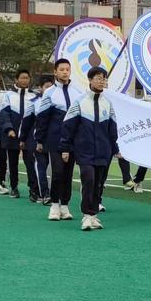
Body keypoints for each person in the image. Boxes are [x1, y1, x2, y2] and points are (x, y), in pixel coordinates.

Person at [60, 67, 119, 231]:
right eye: (99, 78)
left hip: (103, 151)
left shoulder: (108, 103)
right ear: (90, 80)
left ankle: (93, 216)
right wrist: (65, 148)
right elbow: (67, 126)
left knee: (98, 184)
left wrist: (115, 148)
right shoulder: (79, 101)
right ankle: (86, 215)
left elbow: (112, 129)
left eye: (104, 79)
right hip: (84, 151)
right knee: (89, 180)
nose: (102, 81)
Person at [35, 59, 82, 220]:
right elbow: (42, 118)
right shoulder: (49, 93)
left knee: (68, 174)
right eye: (61, 69)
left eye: (67, 69)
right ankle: (54, 205)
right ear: (55, 72)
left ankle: (65, 205)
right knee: (58, 173)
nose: (64, 72)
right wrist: (39, 140)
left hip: (72, 141)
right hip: (54, 140)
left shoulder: (78, 93)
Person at [0, 69, 38, 199]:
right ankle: (14, 187)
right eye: (22, 78)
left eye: (27, 78)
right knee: (13, 162)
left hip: (28, 135)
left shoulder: (34, 96)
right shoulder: (8, 95)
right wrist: (9, 129)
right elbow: (4, 114)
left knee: (30, 162)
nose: (24, 80)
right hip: (13, 134)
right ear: (16, 80)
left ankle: (33, 189)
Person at [20, 74, 54, 204]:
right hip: (37, 140)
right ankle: (44, 194)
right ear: (40, 88)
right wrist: (22, 138)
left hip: (54, 140)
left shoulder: (57, 101)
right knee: (41, 167)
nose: (50, 90)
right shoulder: (34, 102)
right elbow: (26, 122)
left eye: (52, 87)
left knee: (55, 168)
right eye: (47, 87)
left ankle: (55, 194)